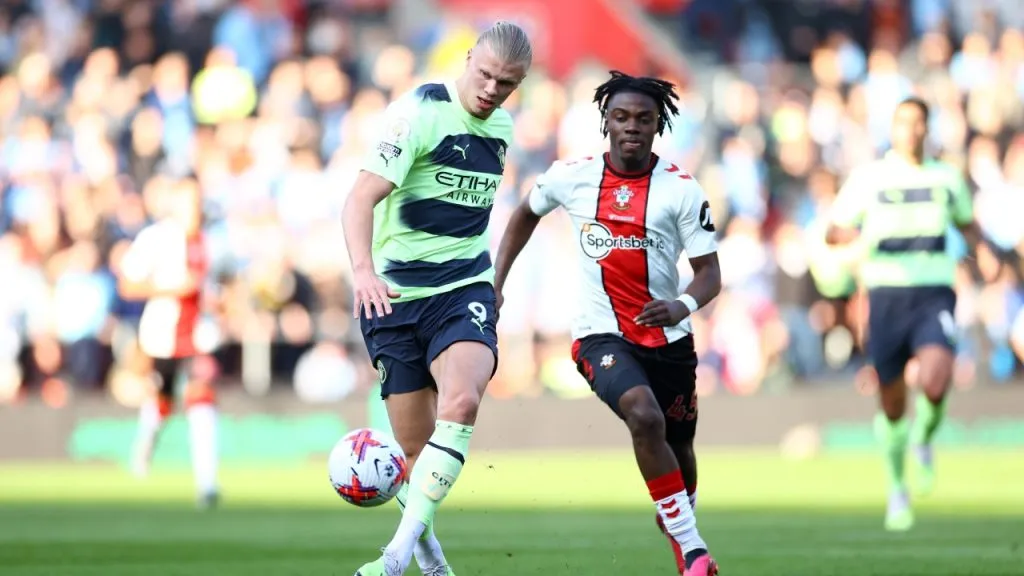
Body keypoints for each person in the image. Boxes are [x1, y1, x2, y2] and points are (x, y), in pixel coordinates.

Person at [493, 71, 721, 576]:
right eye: (621, 117)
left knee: (679, 446)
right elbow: (525, 213)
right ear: (606, 123)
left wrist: (681, 305)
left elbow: (710, 274)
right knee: (644, 416)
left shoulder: (683, 190)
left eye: (642, 118)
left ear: (658, 124)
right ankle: (693, 549)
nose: (631, 126)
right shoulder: (571, 177)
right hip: (600, 335)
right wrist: (497, 281)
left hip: (670, 340)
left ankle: (679, 515)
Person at [341, 21, 532, 576]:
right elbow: (359, 200)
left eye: (506, 83)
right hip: (394, 297)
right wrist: (362, 272)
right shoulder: (417, 114)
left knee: (462, 404)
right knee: (414, 453)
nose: (492, 90)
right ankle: (433, 566)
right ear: (468, 58)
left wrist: (493, 284)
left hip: (463, 288)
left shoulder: (503, 128)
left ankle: (393, 558)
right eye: (486, 74)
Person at [826, 96, 977, 531]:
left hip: (934, 293)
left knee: (936, 378)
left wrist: (977, 252)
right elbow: (836, 228)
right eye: (902, 122)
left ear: (927, 128)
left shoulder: (947, 178)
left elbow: (967, 223)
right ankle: (897, 488)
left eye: (917, 122)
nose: (910, 130)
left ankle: (924, 439)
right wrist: (849, 241)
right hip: (886, 297)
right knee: (892, 404)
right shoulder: (869, 178)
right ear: (891, 129)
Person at [118, 178, 220, 509]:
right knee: (162, 400)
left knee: (201, 397)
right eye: (189, 201)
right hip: (162, 336)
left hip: (198, 336)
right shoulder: (156, 238)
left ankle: (207, 484)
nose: (195, 208)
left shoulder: (208, 239)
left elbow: (213, 287)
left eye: (198, 200)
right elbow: (128, 286)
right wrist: (172, 290)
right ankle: (144, 449)